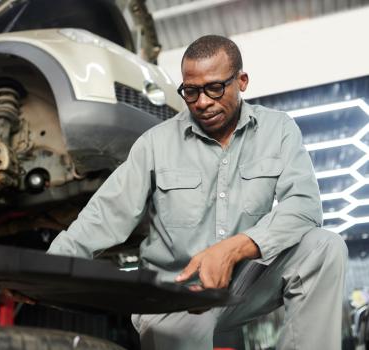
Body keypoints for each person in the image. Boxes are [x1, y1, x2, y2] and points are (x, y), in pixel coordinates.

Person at [42, 35, 347, 349]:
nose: (202, 102)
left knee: (323, 248)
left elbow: (304, 205)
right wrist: (44, 274)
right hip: (175, 293)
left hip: (243, 283)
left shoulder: (278, 130)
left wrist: (233, 249)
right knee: (184, 327)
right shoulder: (155, 143)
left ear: (241, 81)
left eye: (214, 88)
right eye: (191, 91)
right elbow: (105, 215)